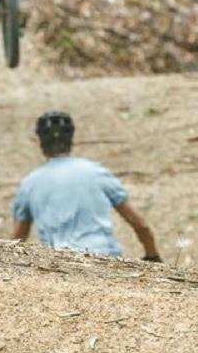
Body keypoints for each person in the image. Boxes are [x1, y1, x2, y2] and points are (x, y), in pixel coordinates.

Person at [11, 111, 160, 261]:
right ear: (71, 139)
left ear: (41, 142)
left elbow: (17, 240)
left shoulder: (29, 184)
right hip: (105, 257)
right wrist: (152, 255)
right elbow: (139, 224)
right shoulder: (96, 172)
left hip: (59, 264)